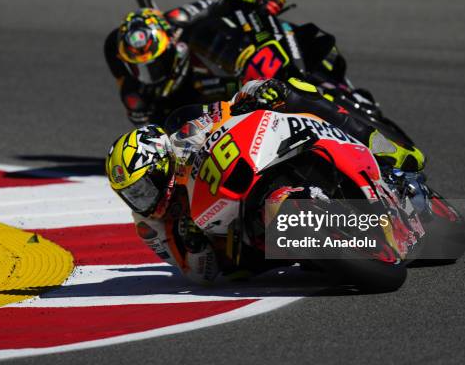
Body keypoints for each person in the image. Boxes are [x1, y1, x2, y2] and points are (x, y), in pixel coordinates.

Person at [105, 78, 425, 284]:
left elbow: (226, 108)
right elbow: (196, 273)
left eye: (143, 186)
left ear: (161, 164)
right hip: (244, 249)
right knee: (239, 270)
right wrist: (194, 245)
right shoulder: (148, 225)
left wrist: (256, 91)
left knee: (296, 90)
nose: (141, 198)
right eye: (131, 193)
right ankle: (321, 242)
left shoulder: (183, 137)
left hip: (251, 168)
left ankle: (385, 149)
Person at [104, 0, 349, 126]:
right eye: (141, 69)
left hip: (226, 65)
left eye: (155, 65)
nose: (150, 74)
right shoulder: (136, 85)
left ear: (171, 46)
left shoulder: (177, 20)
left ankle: (327, 81)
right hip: (207, 105)